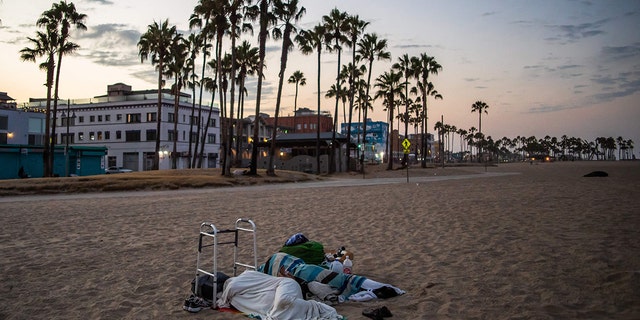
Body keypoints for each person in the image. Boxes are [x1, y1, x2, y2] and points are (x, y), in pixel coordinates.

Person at [258, 252, 405, 303]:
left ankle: (380, 288)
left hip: (303, 271)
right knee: (344, 279)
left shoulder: (267, 271)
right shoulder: (277, 258)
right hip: (305, 268)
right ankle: (385, 288)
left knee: (342, 281)